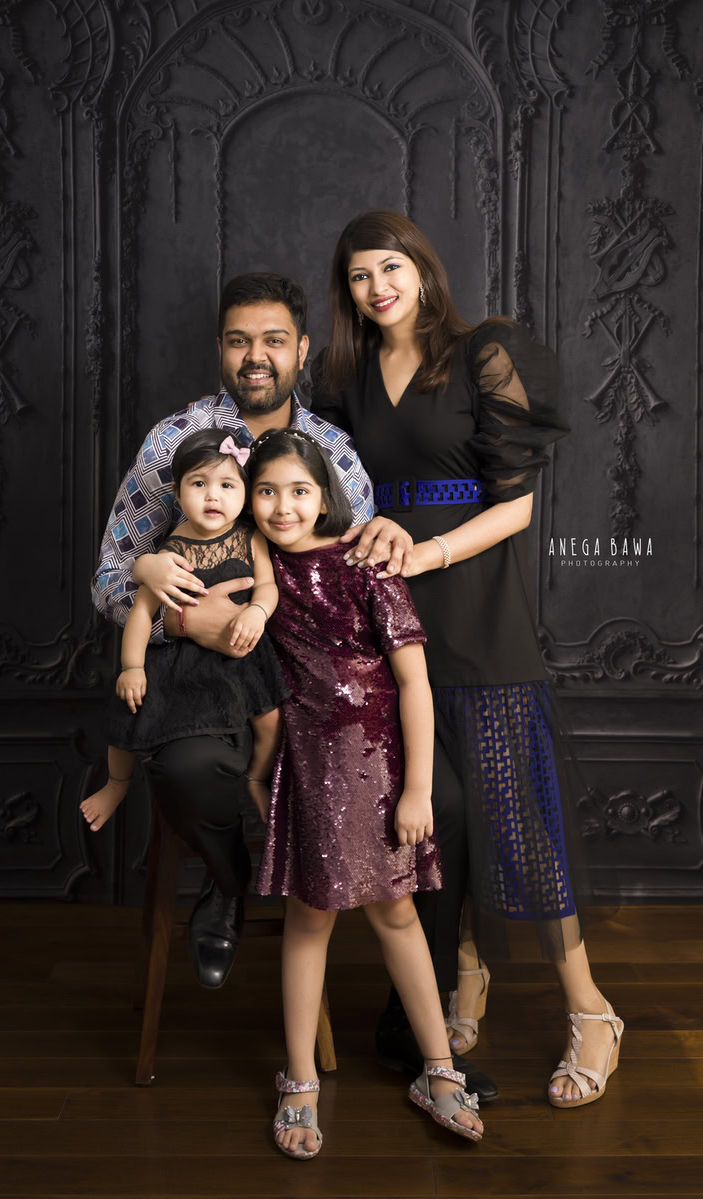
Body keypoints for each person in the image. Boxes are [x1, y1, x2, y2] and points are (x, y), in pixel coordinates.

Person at [311, 211, 624, 1109]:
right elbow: (325, 491)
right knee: (440, 817)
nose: (379, 285)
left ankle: (591, 1010)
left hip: (477, 608)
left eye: (391, 265)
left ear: (421, 267)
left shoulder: (484, 352)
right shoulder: (348, 379)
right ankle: (465, 977)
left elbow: (516, 507)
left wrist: (425, 549)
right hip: (390, 621)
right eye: (361, 275)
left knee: (519, 818)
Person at [91, 272, 411, 990]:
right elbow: (111, 578)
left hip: (315, 686)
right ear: (220, 351)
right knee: (184, 769)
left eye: (273, 341)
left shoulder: (334, 454)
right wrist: (179, 617)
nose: (255, 356)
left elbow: (364, 583)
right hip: (205, 688)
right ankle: (228, 881)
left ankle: (421, 1007)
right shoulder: (171, 443)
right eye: (239, 342)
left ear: (302, 349)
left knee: (436, 796)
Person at [249, 428, 484, 1158]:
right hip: (309, 766)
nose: (282, 507)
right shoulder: (260, 574)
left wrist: (418, 787)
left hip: (379, 766)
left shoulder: (364, 565)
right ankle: (299, 1080)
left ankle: (439, 1068)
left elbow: (412, 678)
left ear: (325, 495)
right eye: (265, 492)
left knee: (396, 911)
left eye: (297, 491)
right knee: (310, 917)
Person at [82, 429, 288, 834]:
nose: (213, 496)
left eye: (227, 485)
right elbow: (142, 611)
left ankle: (257, 779)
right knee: (128, 716)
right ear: (177, 497)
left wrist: (259, 613)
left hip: (244, 654)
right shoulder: (169, 552)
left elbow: (267, 586)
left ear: (245, 495)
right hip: (183, 660)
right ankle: (116, 783)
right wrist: (132, 666)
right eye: (199, 484)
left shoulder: (252, 539)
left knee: (271, 719)